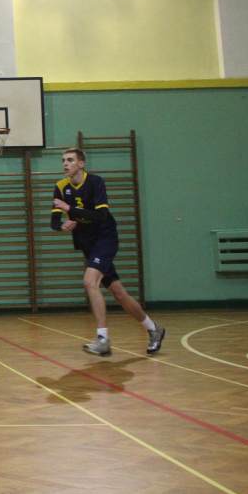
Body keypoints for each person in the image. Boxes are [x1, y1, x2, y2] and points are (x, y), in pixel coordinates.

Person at [51, 147, 165, 357]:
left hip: (105, 239)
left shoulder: (96, 182)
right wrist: (62, 225)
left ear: (81, 164)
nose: (65, 164)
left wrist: (70, 210)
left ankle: (103, 339)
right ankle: (153, 328)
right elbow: (54, 222)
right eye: (63, 160)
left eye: (70, 160)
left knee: (89, 282)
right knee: (119, 293)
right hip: (88, 244)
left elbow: (101, 216)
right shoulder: (60, 187)